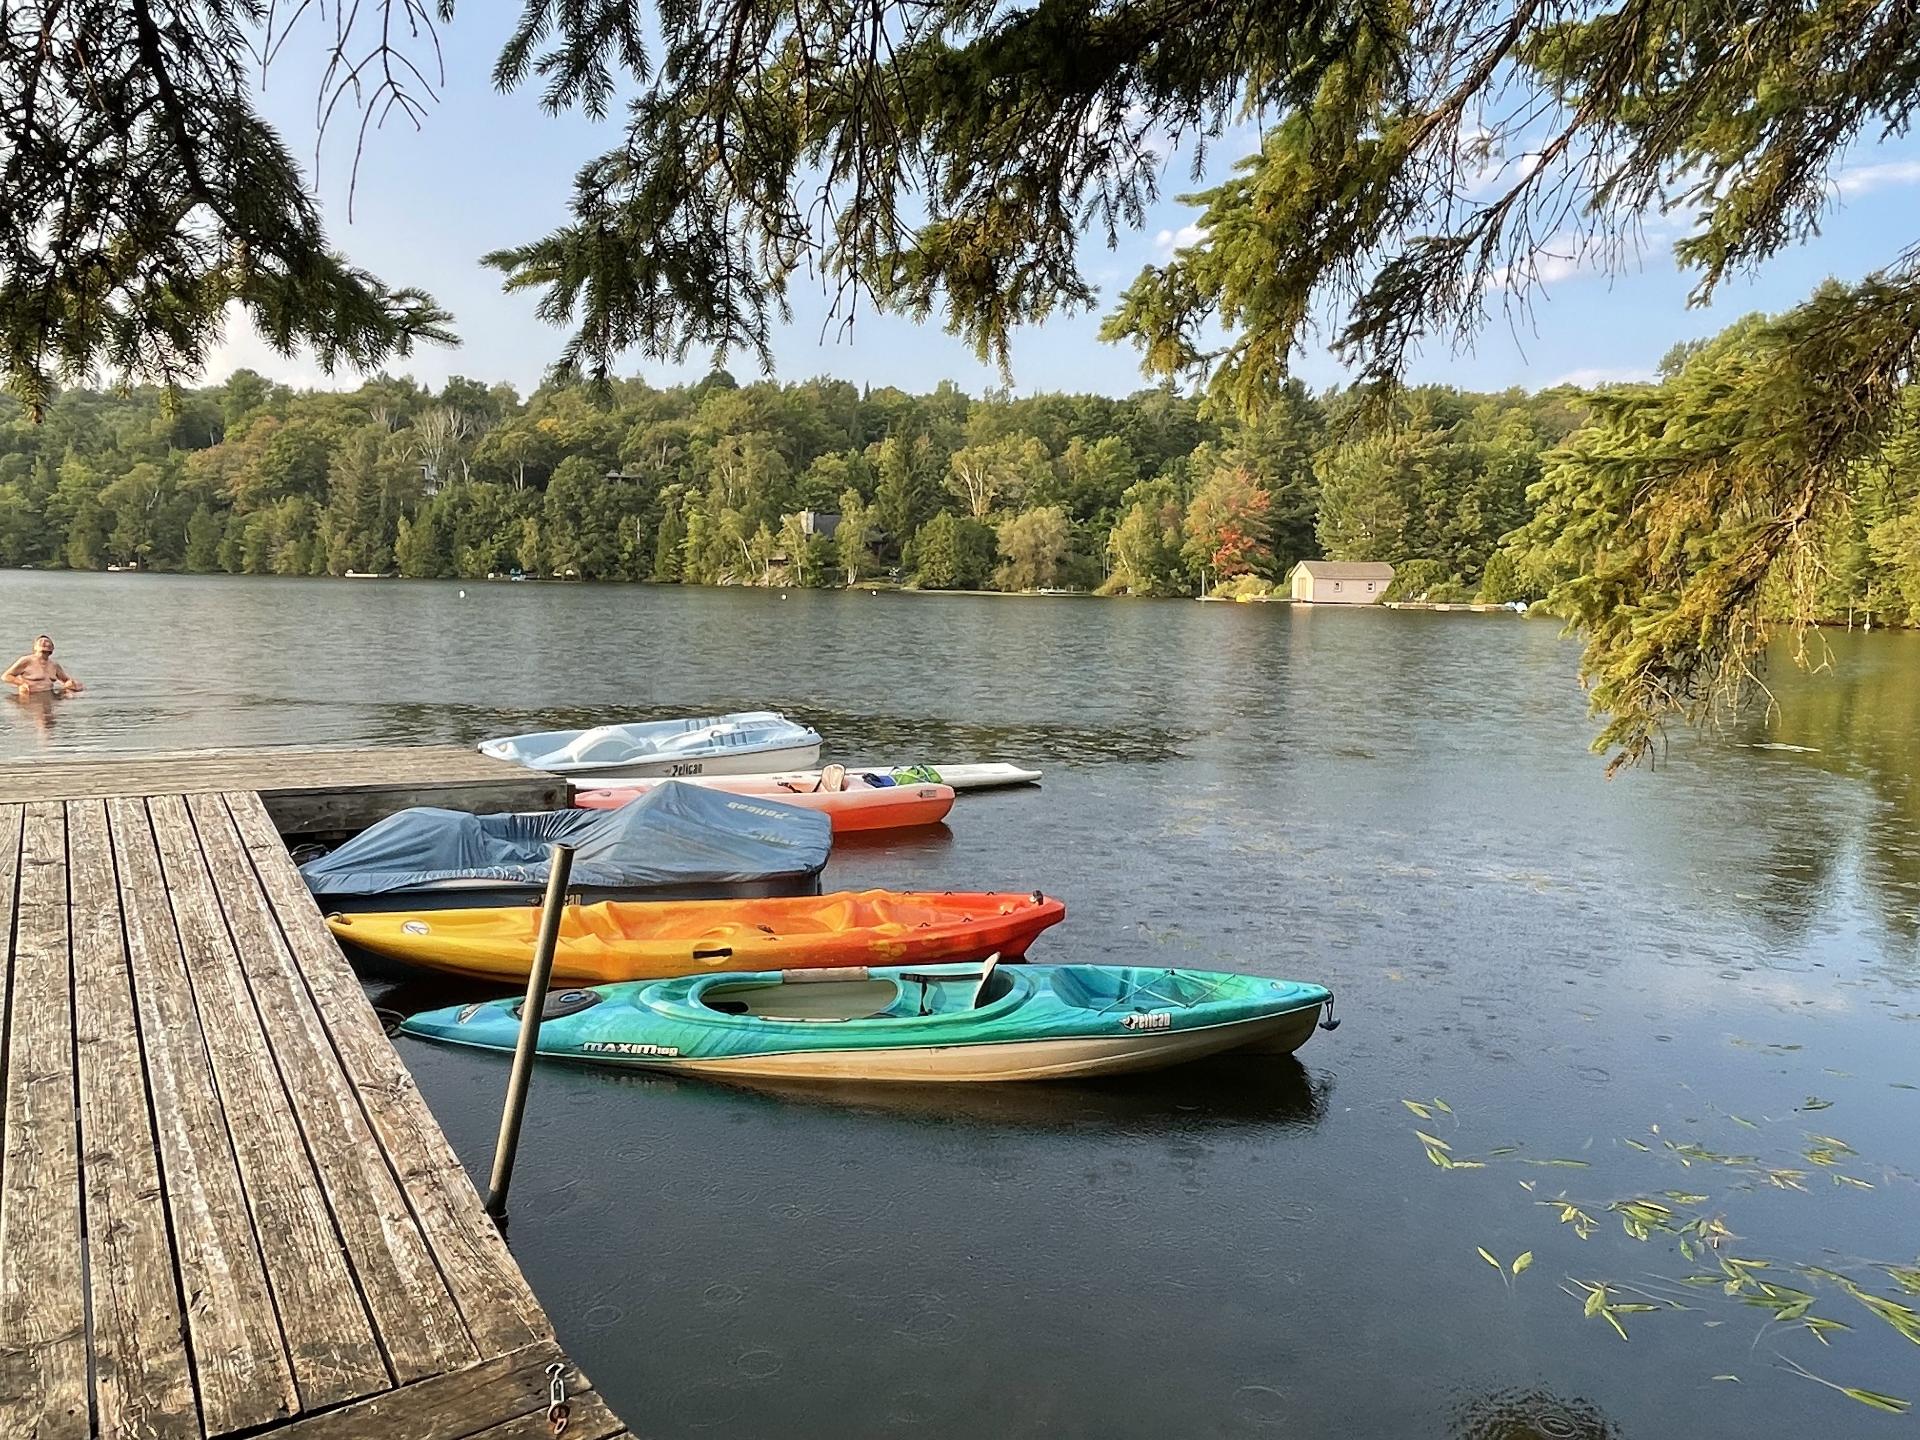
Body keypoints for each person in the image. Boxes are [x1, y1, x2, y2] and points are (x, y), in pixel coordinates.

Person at [3, 634, 83, 696]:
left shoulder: (54, 665)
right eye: (40, 642)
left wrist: (71, 684)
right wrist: (21, 683)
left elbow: (67, 680)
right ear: (35, 647)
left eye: (47, 641)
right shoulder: (26, 660)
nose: (44, 642)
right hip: (30, 697)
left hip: (50, 695)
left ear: (52, 649)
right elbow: (6, 676)